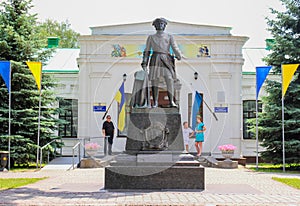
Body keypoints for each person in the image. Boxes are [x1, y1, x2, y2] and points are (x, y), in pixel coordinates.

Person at [141, 17, 182, 108]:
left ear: (165, 26)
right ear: (155, 26)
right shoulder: (151, 37)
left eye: (162, 24)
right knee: (155, 80)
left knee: (169, 79)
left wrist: (179, 55)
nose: (160, 25)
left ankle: (171, 101)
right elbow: (147, 51)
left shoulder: (169, 37)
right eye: (158, 24)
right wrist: (144, 63)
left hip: (166, 59)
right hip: (155, 59)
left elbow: (175, 47)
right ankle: (155, 102)